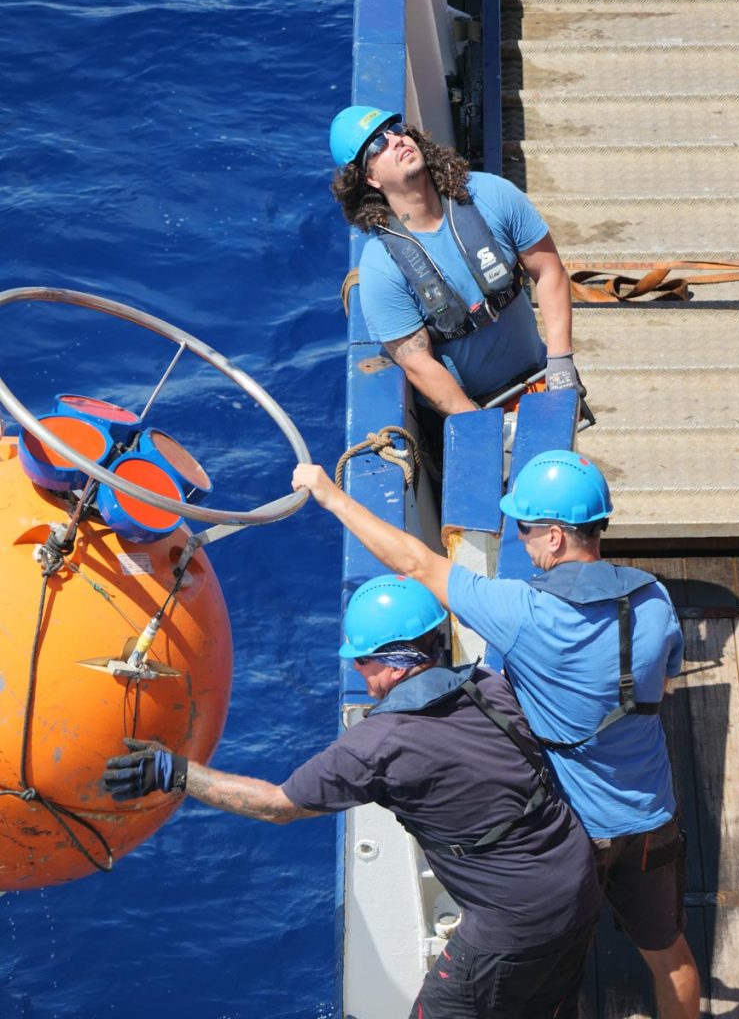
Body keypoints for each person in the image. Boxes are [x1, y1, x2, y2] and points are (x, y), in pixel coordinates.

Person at [290, 453, 701, 1019]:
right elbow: (666, 673)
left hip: (577, 835)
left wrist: (330, 495)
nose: (523, 541)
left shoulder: (522, 612)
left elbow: (414, 562)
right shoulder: (652, 598)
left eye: (527, 529)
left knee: (559, 968)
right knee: (670, 956)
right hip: (653, 816)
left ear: (555, 538)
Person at [104, 573, 600, 1019]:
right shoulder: (487, 687)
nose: (360, 673)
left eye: (362, 660)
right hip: (576, 880)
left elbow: (278, 805)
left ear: (391, 664)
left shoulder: (376, 745)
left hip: (511, 921)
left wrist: (176, 772)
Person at [328, 105, 582, 438]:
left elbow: (549, 272)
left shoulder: (492, 194)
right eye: (378, 145)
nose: (396, 141)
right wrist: (482, 426)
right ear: (370, 179)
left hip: (540, 380)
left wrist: (561, 362)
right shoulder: (381, 268)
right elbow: (418, 364)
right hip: (474, 408)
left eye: (396, 129)